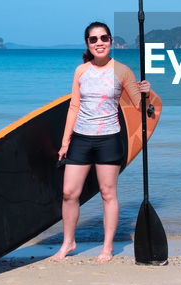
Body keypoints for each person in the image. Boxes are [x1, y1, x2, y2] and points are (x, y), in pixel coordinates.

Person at [55, 21, 151, 261]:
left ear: (111, 41)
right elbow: (74, 106)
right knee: (69, 193)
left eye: (104, 38)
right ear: (88, 43)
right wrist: (66, 142)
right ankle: (69, 243)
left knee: (108, 193)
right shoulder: (81, 71)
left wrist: (146, 92)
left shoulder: (122, 71)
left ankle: (107, 247)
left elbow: (140, 107)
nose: (99, 43)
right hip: (81, 139)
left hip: (109, 139)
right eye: (94, 39)